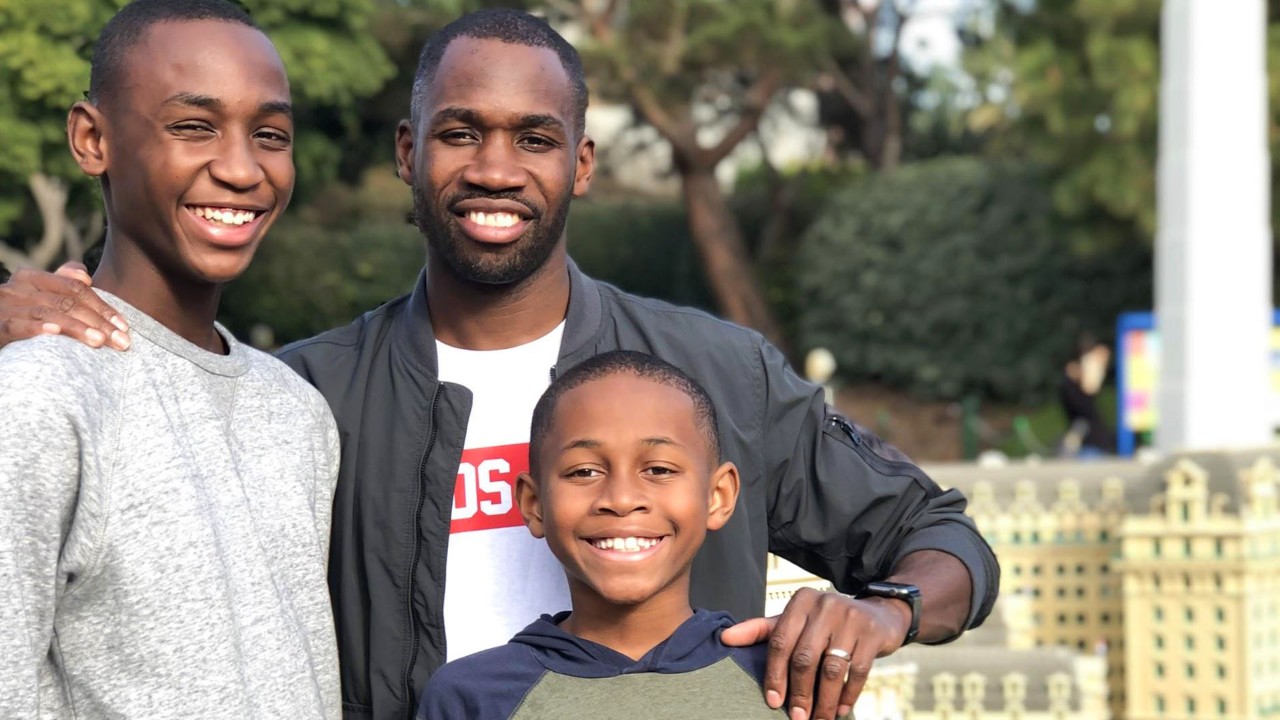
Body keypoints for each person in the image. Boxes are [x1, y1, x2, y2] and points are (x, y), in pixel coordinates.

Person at [0, 10, 999, 720]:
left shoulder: (714, 374)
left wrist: (883, 610)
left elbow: (939, 536)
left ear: (581, 164)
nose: (492, 170)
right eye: (458, 133)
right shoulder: (306, 397)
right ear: (406, 152)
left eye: (534, 138)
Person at [0, 1, 341, 717]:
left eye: (270, 134)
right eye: (194, 126)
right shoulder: (41, 392)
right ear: (93, 139)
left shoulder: (298, 412)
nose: (243, 168)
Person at [418, 350, 787, 719]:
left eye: (658, 469)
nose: (622, 500)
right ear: (534, 503)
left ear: (717, 496)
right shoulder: (472, 695)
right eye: (584, 472)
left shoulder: (787, 677)